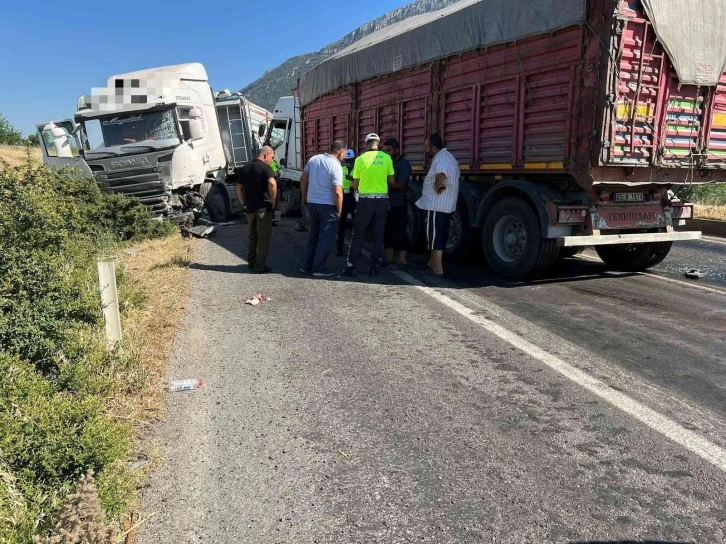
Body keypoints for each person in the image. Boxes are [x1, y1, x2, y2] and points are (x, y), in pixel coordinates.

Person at [345, 133, 395, 277]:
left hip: (365, 200)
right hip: (381, 200)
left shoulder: (360, 159)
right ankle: (374, 266)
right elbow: (391, 181)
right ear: (378, 144)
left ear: (366, 144)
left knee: (359, 233)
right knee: (378, 234)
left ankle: (351, 265)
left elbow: (355, 184)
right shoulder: (387, 158)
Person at [299, 140, 346, 277]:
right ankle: (319, 267)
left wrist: (304, 196)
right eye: (343, 154)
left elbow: (303, 178)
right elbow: (337, 191)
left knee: (313, 236)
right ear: (340, 152)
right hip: (327, 205)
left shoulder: (314, 159)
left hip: (312, 202)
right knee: (326, 238)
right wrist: (340, 210)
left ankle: (306, 266)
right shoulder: (336, 166)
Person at [415, 133, 460, 277]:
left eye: (427, 146)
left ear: (434, 148)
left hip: (436, 204)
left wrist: (437, 186)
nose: (425, 149)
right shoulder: (449, 157)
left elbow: (441, 175)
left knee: (435, 236)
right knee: (440, 233)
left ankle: (438, 268)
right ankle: (431, 262)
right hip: (445, 205)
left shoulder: (441, 158)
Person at [236, 145, 277, 274]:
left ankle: (251, 261)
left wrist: (243, 203)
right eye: (272, 157)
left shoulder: (246, 167)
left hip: (250, 209)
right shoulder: (266, 167)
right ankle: (260, 266)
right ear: (265, 154)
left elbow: (238, 187)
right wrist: (273, 199)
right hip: (262, 208)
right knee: (263, 237)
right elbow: (272, 183)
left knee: (253, 236)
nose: (272, 160)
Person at [382, 139, 412, 267]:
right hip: (385, 203)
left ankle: (402, 260)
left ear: (396, 150)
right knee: (386, 231)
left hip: (398, 204)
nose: (386, 153)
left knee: (399, 231)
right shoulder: (384, 163)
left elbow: (402, 185)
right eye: (384, 150)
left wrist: (383, 185)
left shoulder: (404, 164)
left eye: (389, 150)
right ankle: (390, 259)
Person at [336, 149, 357, 256]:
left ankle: (355, 250)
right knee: (341, 225)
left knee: (356, 225)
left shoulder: (358, 169)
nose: (349, 163)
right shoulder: (341, 169)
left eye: (351, 161)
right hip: (343, 197)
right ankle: (339, 248)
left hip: (354, 197)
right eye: (347, 161)